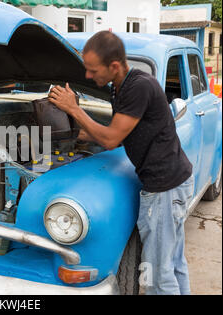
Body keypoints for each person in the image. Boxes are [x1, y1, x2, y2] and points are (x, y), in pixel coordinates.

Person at [48, 31, 194, 295]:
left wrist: (74, 109)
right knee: (173, 265)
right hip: (175, 182)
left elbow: (111, 140)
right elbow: (119, 132)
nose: (89, 77)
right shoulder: (122, 87)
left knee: (158, 276)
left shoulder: (139, 87)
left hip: (164, 188)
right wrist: (71, 133)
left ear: (114, 66)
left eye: (93, 71)